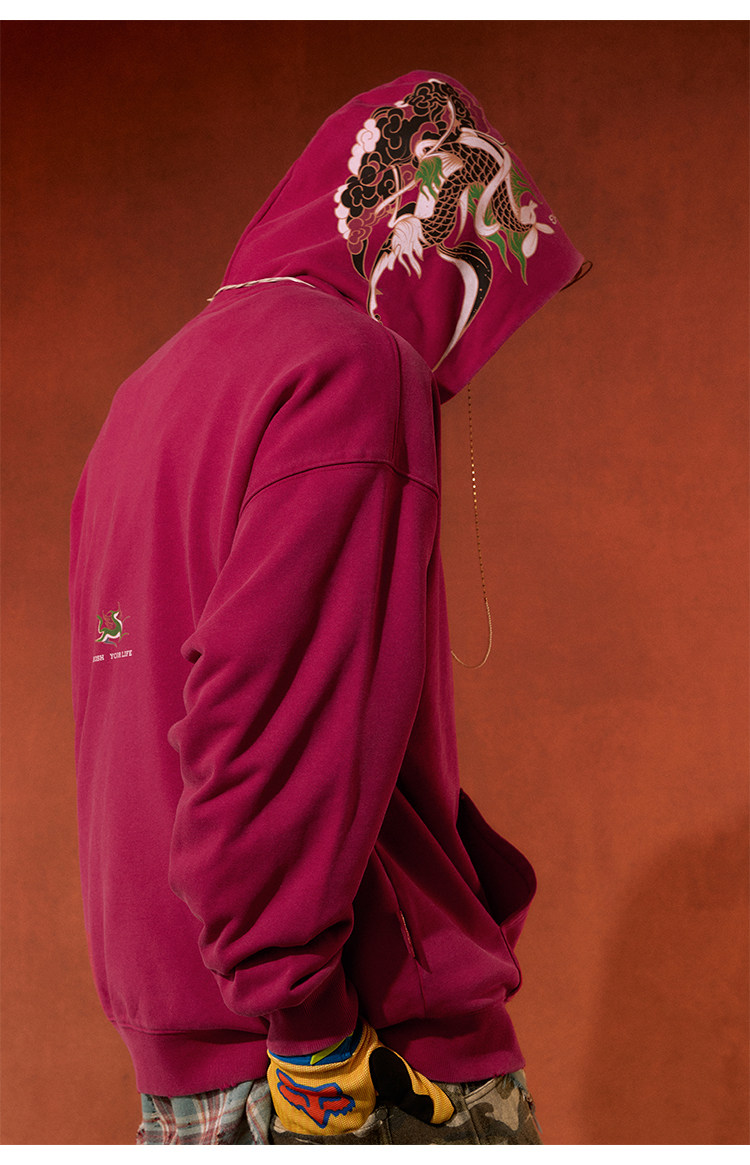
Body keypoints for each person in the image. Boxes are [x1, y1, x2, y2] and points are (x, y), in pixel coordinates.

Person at [69, 70, 585, 1145]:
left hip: (190, 1057)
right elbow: (264, 711)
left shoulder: (145, 395)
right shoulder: (347, 366)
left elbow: (151, 713)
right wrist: (304, 1015)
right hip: (346, 1064)